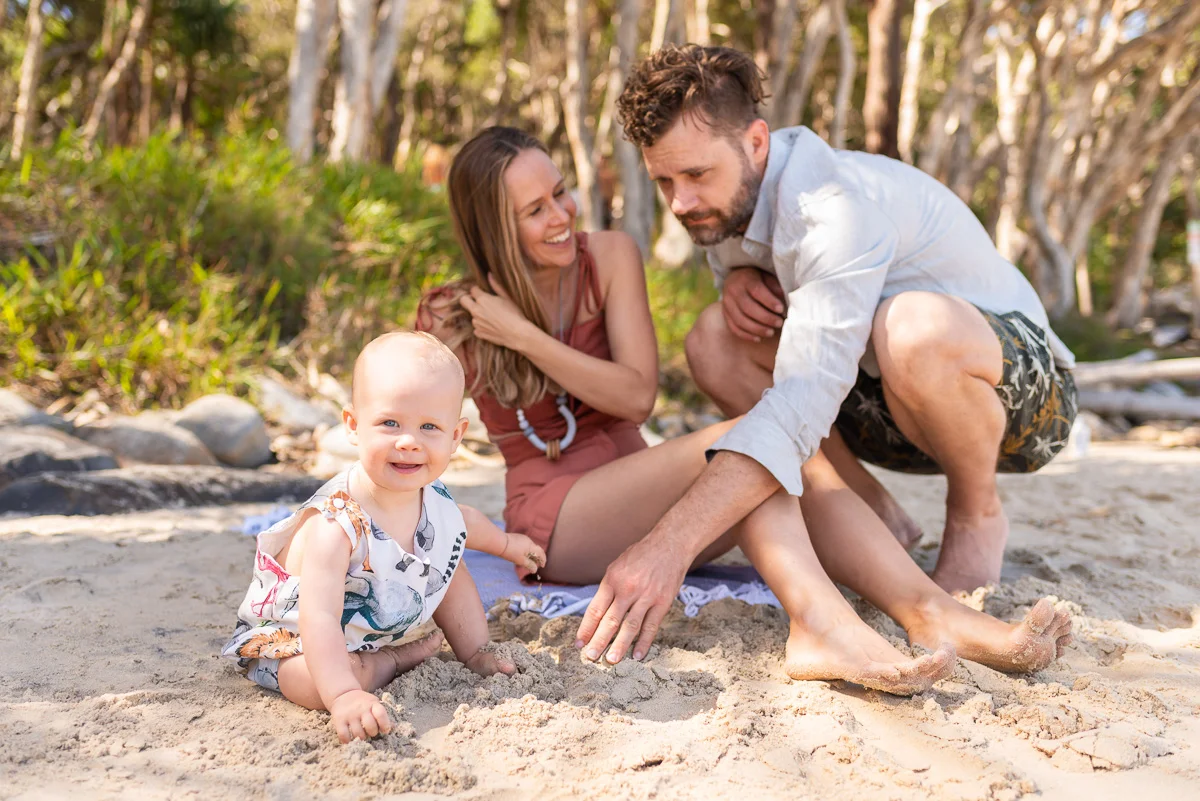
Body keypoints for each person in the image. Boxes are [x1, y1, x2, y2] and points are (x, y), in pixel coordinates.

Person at [418, 126, 1070, 694]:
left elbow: (636, 396)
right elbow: (407, 429)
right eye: (534, 210)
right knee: (754, 440)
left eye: (561, 192)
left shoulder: (608, 257)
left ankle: (923, 612)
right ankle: (844, 621)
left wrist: (524, 337)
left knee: (764, 459)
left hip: (642, 489)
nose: (562, 214)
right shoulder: (453, 312)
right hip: (556, 522)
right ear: (493, 229)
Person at [577, 44, 1079, 661]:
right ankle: (871, 514)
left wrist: (667, 547)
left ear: (756, 142)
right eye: (665, 181)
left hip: (1022, 401)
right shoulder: (730, 201)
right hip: (881, 399)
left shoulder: (829, 210)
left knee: (911, 327)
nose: (680, 202)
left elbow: (800, 402)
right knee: (713, 339)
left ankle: (976, 515)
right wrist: (739, 278)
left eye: (697, 175)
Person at [222, 332, 545, 743]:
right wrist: (343, 695)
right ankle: (387, 663)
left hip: (368, 626)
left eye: (429, 427)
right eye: (390, 423)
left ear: (455, 436)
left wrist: (508, 545)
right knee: (311, 682)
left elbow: (464, 521)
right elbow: (319, 618)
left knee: (448, 557)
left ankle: (476, 649)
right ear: (353, 426)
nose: (409, 441)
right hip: (297, 640)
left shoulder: (432, 496)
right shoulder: (336, 525)